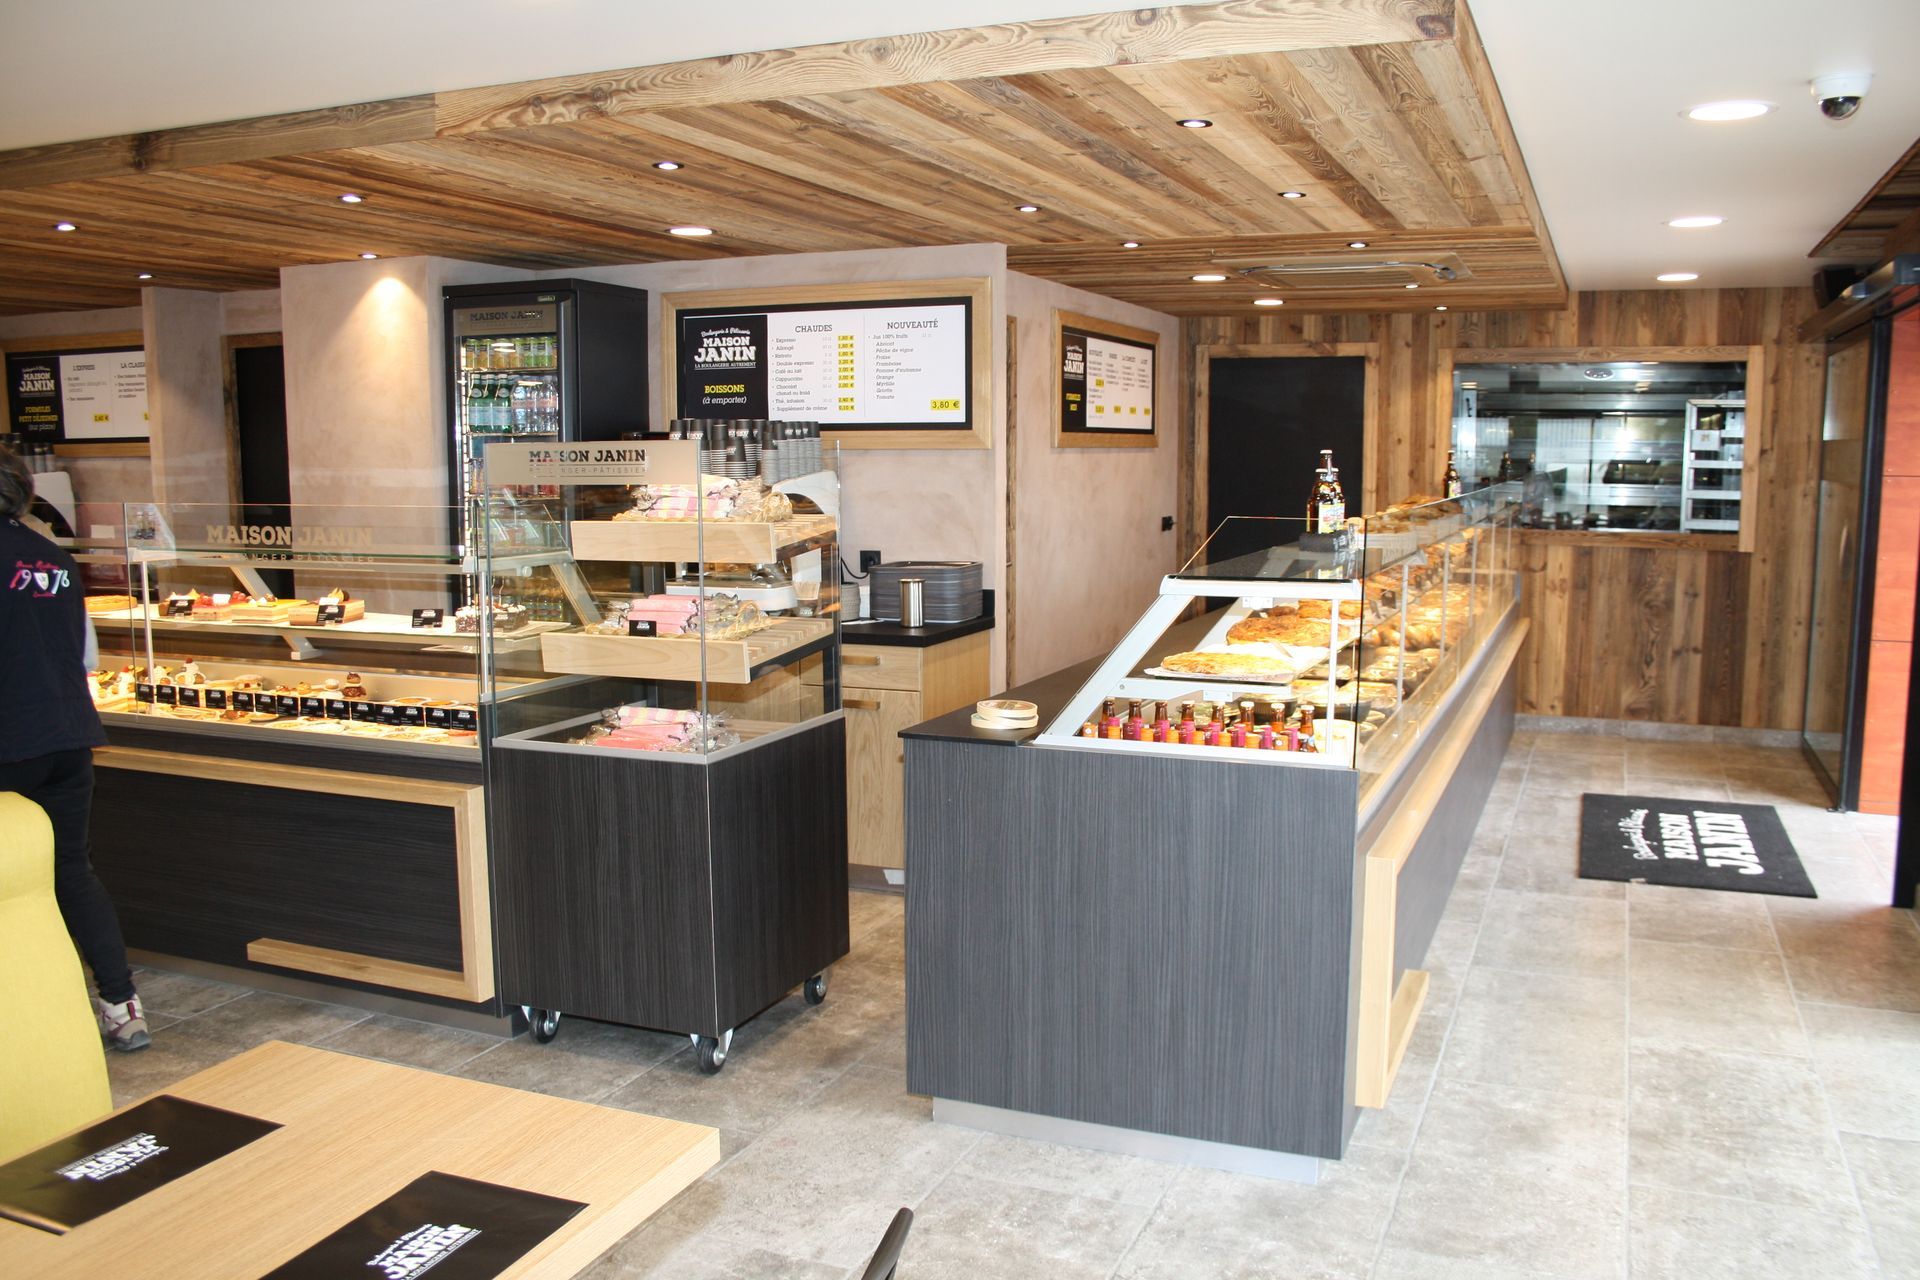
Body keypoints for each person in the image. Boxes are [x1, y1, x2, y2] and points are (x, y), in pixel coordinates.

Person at [0, 442, 146, 1050]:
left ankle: (27, 1018)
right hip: (68, 736)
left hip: (10, 741)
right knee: (70, 871)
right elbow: (84, 656)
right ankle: (121, 1002)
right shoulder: (52, 558)